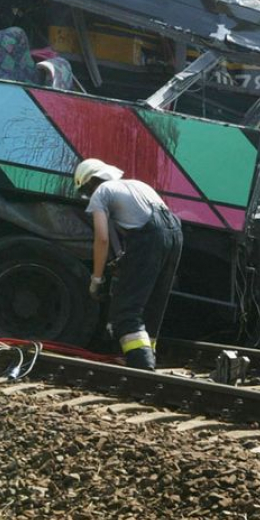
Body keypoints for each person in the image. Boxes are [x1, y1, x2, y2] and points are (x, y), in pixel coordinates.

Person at [74, 158, 183, 371]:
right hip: (175, 234)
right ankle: (145, 355)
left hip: (150, 237)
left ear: (89, 184)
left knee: (126, 309)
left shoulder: (101, 192)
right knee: (153, 305)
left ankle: (141, 365)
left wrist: (96, 279)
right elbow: (150, 224)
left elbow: (102, 238)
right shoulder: (138, 185)